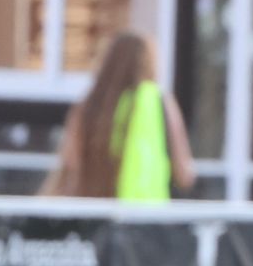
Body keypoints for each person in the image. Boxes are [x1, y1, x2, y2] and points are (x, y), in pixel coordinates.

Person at [42, 32, 197, 201]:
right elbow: (184, 174)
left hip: (93, 216)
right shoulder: (159, 101)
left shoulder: (90, 105)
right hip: (149, 218)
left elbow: (71, 163)